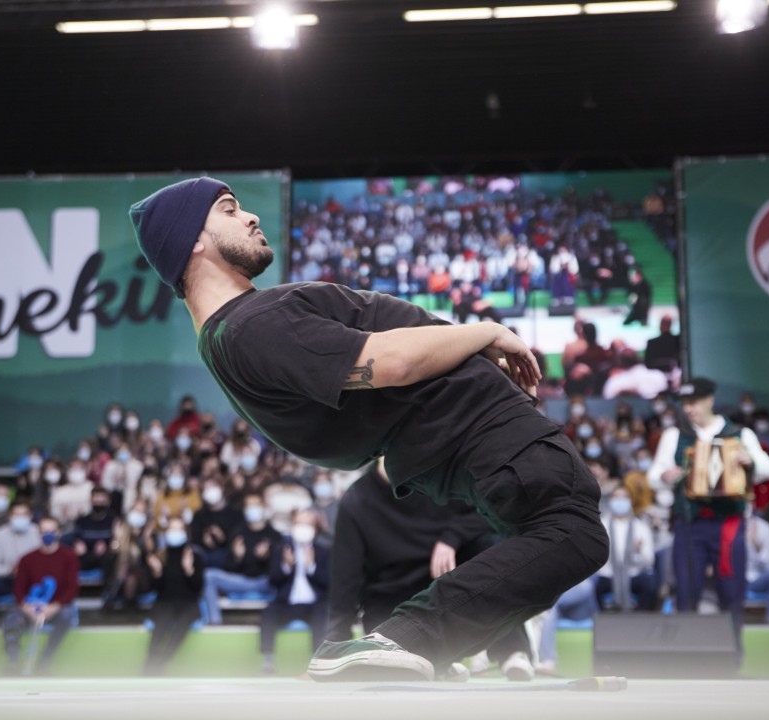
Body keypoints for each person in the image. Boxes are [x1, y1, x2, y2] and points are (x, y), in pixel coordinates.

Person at [130, 177, 607, 681]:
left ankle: (422, 647)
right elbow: (390, 363)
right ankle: (406, 640)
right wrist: (485, 331)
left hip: (451, 434)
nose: (250, 216)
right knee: (573, 531)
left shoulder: (230, 337)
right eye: (228, 210)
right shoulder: (253, 325)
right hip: (473, 422)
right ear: (192, 240)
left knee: (544, 540)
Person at [326, 460, 535, 681]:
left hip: (442, 588)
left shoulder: (440, 481)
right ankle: (439, 664)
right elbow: (346, 578)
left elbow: (491, 509)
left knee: (488, 546)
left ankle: (512, 650)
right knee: (394, 674)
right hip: (391, 600)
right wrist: (336, 641)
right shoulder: (357, 500)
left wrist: (452, 537)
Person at [648, 377, 769, 643]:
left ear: (710, 401)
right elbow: (653, 476)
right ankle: (688, 653)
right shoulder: (674, 435)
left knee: (731, 589)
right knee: (687, 589)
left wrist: (749, 461)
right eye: (685, 403)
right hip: (689, 523)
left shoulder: (739, 433)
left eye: (693, 402)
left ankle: (732, 653)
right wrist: (665, 476)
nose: (688, 408)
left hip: (728, 523)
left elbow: (768, 469)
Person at [3, 516, 80, 675]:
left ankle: (44, 662)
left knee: (67, 615)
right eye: (44, 531)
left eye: (52, 531)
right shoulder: (27, 559)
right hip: (30, 607)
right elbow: (18, 589)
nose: (48, 534)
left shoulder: (69, 556)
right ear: (38, 533)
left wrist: (53, 607)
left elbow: (72, 588)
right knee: (11, 618)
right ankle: (13, 662)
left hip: (56, 607)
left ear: (58, 533)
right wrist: (27, 607)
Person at [260, 508, 331, 675]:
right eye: (299, 523)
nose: (303, 528)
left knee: (323, 612)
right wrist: (286, 566)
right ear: (292, 526)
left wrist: (311, 567)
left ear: (315, 528)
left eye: (308, 524)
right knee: (269, 612)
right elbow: (272, 581)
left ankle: (316, 661)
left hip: (314, 605)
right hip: (287, 604)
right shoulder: (281, 550)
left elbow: (329, 583)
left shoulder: (324, 551)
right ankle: (268, 661)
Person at [201, 492, 281, 625]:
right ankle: (214, 622)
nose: (252, 509)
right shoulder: (237, 532)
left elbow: (280, 572)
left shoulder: (275, 535)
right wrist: (238, 557)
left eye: (255, 505)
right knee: (209, 575)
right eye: (249, 506)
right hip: (241, 581)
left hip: (265, 582)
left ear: (263, 507)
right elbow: (228, 566)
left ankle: (279, 621)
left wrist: (266, 558)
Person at [143, 516, 204, 675]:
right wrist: (157, 572)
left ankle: (162, 662)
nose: (175, 532)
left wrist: (189, 570)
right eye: (172, 529)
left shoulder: (194, 556)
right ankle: (149, 665)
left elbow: (198, 587)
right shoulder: (160, 556)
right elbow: (154, 588)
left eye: (179, 529)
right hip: (165, 602)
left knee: (181, 626)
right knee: (160, 625)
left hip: (188, 604)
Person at [0, 500, 41, 627]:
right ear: (9, 517)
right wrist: (10, 570)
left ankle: (35, 622)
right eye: (16, 515)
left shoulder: (38, 532)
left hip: (32, 580)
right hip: (7, 579)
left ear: (30, 516)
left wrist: (25, 571)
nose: (20, 518)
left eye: (23, 514)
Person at [596, 486, 657, 611]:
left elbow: (649, 561)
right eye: (617, 497)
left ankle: (639, 616)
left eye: (624, 497)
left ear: (631, 501)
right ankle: (601, 616)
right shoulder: (601, 525)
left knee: (650, 583)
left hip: (633, 573)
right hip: (607, 574)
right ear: (610, 500)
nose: (620, 501)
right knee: (591, 585)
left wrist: (638, 552)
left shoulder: (641, 527)